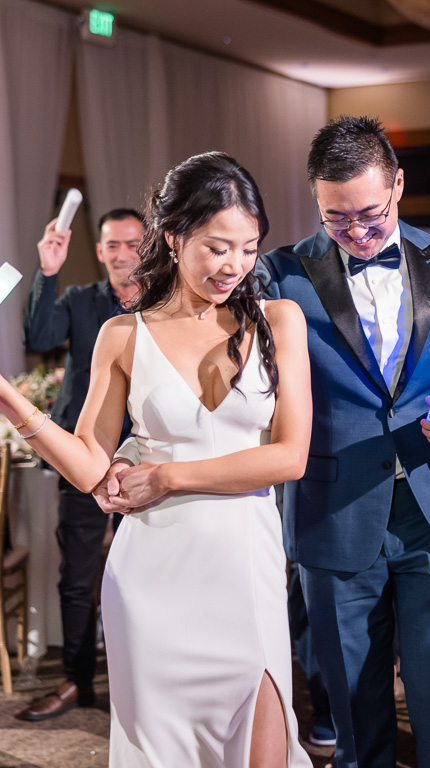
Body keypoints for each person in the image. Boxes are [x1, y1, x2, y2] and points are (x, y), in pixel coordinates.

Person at [0, 152, 313, 768]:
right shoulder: (123, 334)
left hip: (243, 563)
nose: (235, 266)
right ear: (173, 236)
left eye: (250, 248)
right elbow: (93, 467)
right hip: (151, 578)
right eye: (218, 247)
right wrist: (10, 401)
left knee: (265, 745)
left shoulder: (281, 321)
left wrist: (168, 475)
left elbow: (290, 456)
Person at [258, 115, 430, 768]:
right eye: (337, 219)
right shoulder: (283, 274)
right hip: (335, 519)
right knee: (355, 719)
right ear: (315, 199)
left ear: (398, 184)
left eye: (370, 213)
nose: (358, 233)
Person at [18, 208, 144, 720]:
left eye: (133, 243)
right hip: (85, 454)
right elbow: (39, 338)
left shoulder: (165, 302)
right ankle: (76, 682)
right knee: (77, 576)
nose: (123, 254)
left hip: (149, 454)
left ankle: (140, 681)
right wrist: (47, 272)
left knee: (147, 573)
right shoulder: (80, 301)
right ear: (100, 251)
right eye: (113, 245)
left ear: (149, 244)